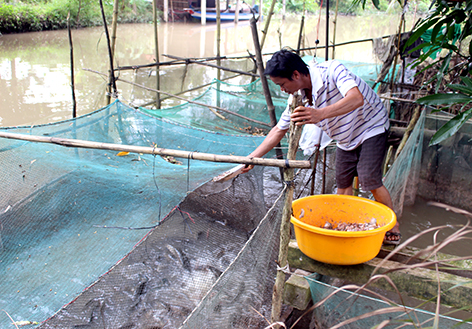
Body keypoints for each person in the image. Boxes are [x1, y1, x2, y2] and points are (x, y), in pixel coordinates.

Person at [242, 49, 401, 245]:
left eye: (282, 84)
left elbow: (356, 98)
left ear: (296, 75)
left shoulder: (332, 70)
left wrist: (320, 114)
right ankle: (347, 226)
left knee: (369, 178)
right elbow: (278, 130)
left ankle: (393, 225)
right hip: (345, 136)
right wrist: (251, 158)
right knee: (342, 185)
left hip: (371, 126)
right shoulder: (297, 99)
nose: (282, 90)